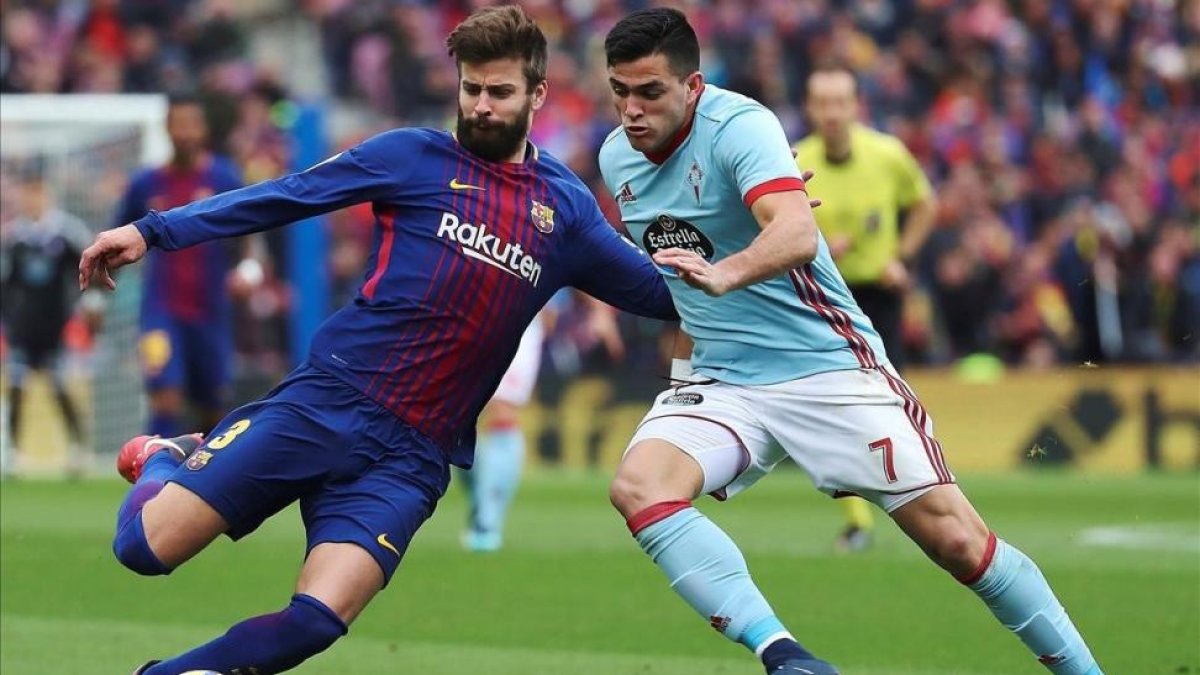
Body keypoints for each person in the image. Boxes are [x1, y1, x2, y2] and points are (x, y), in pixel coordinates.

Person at [79, 6, 676, 674]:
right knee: (143, 551)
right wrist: (152, 230)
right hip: (327, 401)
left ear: (537, 94)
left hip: (413, 455)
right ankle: (165, 456)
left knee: (317, 619)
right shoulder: (410, 156)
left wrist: (749, 246)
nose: (481, 105)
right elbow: (283, 196)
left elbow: (662, 293)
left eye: (499, 92)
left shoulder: (564, 211)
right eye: (471, 88)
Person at [598, 8, 1102, 675]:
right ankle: (789, 657)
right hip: (722, 381)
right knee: (640, 486)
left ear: (692, 86)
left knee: (956, 540)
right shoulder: (615, 157)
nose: (632, 110)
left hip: (825, 366)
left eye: (650, 92)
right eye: (620, 91)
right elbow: (686, 269)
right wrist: (684, 372)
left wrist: (729, 272)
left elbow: (796, 234)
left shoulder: (740, 127)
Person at [793, 63, 939, 553]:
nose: (832, 114)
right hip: (823, 298)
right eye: (823, 103)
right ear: (810, 109)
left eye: (841, 103)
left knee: (887, 401)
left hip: (879, 295)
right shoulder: (795, 162)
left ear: (856, 107)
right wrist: (812, 246)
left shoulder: (887, 155)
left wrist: (902, 256)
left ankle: (913, 492)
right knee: (830, 405)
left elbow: (925, 204)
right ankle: (859, 520)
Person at [113, 94, 244, 439]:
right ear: (167, 129)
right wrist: (96, 298)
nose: (185, 133)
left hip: (210, 311)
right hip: (160, 311)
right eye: (179, 124)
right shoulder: (145, 185)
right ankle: (152, 482)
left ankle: (206, 485)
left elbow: (250, 232)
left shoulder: (225, 178)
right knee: (166, 398)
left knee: (213, 408)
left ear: (204, 130)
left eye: (193, 124)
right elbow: (117, 240)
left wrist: (248, 266)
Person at [0, 172, 99, 477]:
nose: (33, 200)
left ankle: (78, 450)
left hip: (56, 326)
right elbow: (6, 283)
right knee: (16, 388)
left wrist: (89, 305)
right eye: (29, 194)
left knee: (59, 387)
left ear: (48, 196)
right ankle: (12, 453)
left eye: (38, 193)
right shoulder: (14, 237)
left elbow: (87, 272)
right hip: (22, 328)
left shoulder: (66, 233)